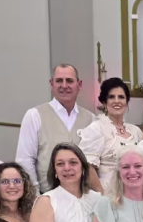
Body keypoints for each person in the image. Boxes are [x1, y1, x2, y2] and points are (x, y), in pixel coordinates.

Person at [16, 64, 97, 192]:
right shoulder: (34, 115)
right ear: (51, 84)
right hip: (46, 195)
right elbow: (25, 160)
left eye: (69, 81)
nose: (64, 85)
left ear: (79, 84)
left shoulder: (91, 119)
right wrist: (35, 195)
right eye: (59, 81)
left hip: (83, 196)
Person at [80, 78, 143, 193]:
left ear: (127, 101)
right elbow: (87, 167)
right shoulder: (97, 129)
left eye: (121, 97)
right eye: (111, 97)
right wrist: (102, 196)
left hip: (135, 192)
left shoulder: (136, 131)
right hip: (108, 193)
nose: (117, 101)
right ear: (104, 102)